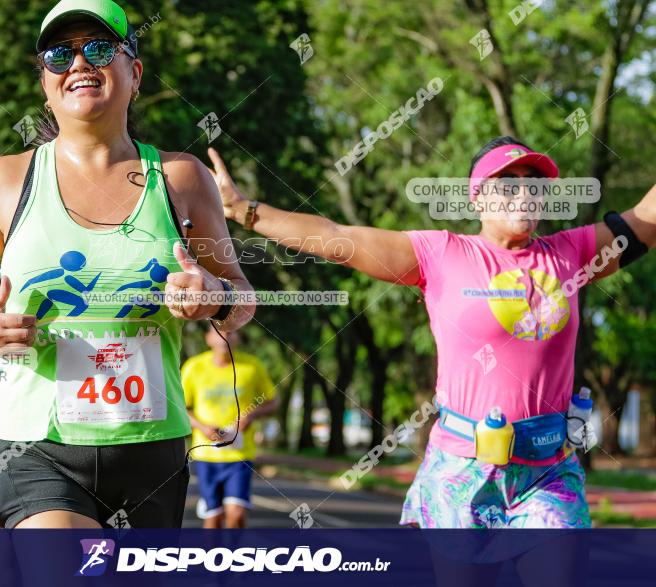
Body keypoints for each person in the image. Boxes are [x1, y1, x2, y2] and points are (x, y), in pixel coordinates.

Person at [208, 136, 656, 529]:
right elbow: (336, 236)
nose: (524, 191)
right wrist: (246, 211)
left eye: (533, 182)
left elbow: (645, 219)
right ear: (477, 197)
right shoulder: (441, 253)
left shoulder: (571, 253)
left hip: (548, 471)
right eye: (508, 182)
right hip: (461, 469)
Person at [0, 0, 253, 529]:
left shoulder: (183, 178)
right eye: (59, 54)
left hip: (152, 444)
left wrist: (213, 295)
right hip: (35, 445)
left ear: (135, 71)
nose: (79, 63)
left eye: (99, 49)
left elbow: (243, 301)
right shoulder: (2, 181)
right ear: (45, 82)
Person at [183, 326, 278, 528]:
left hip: (239, 454)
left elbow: (273, 401)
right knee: (214, 516)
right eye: (217, 332)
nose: (224, 335)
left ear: (239, 337)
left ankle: (232, 557)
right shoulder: (194, 367)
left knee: (236, 513)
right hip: (206, 455)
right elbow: (178, 406)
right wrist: (202, 426)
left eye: (230, 331)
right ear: (207, 338)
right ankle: (214, 559)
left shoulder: (252, 367)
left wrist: (250, 415)